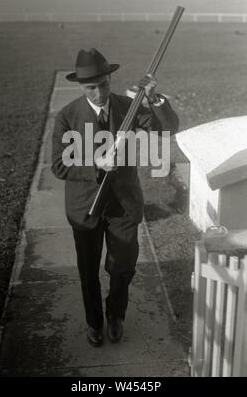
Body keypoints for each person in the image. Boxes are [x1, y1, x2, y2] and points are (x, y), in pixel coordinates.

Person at [51, 48, 179, 347]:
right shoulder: (67, 116)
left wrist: (153, 99)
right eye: (90, 88)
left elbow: (168, 128)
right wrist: (95, 163)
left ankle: (115, 315)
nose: (98, 93)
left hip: (123, 205)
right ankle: (94, 322)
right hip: (85, 208)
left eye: (104, 85)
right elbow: (58, 165)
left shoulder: (128, 107)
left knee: (123, 265)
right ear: (81, 87)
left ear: (111, 79)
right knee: (88, 271)